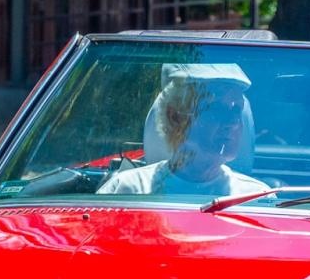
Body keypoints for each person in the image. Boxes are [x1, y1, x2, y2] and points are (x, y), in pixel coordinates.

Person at [98, 63, 268, 198]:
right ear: (176, 117)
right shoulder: (127, 190)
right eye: (215, 108)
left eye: (236, 110)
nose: (232, 122)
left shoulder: (255, 198)